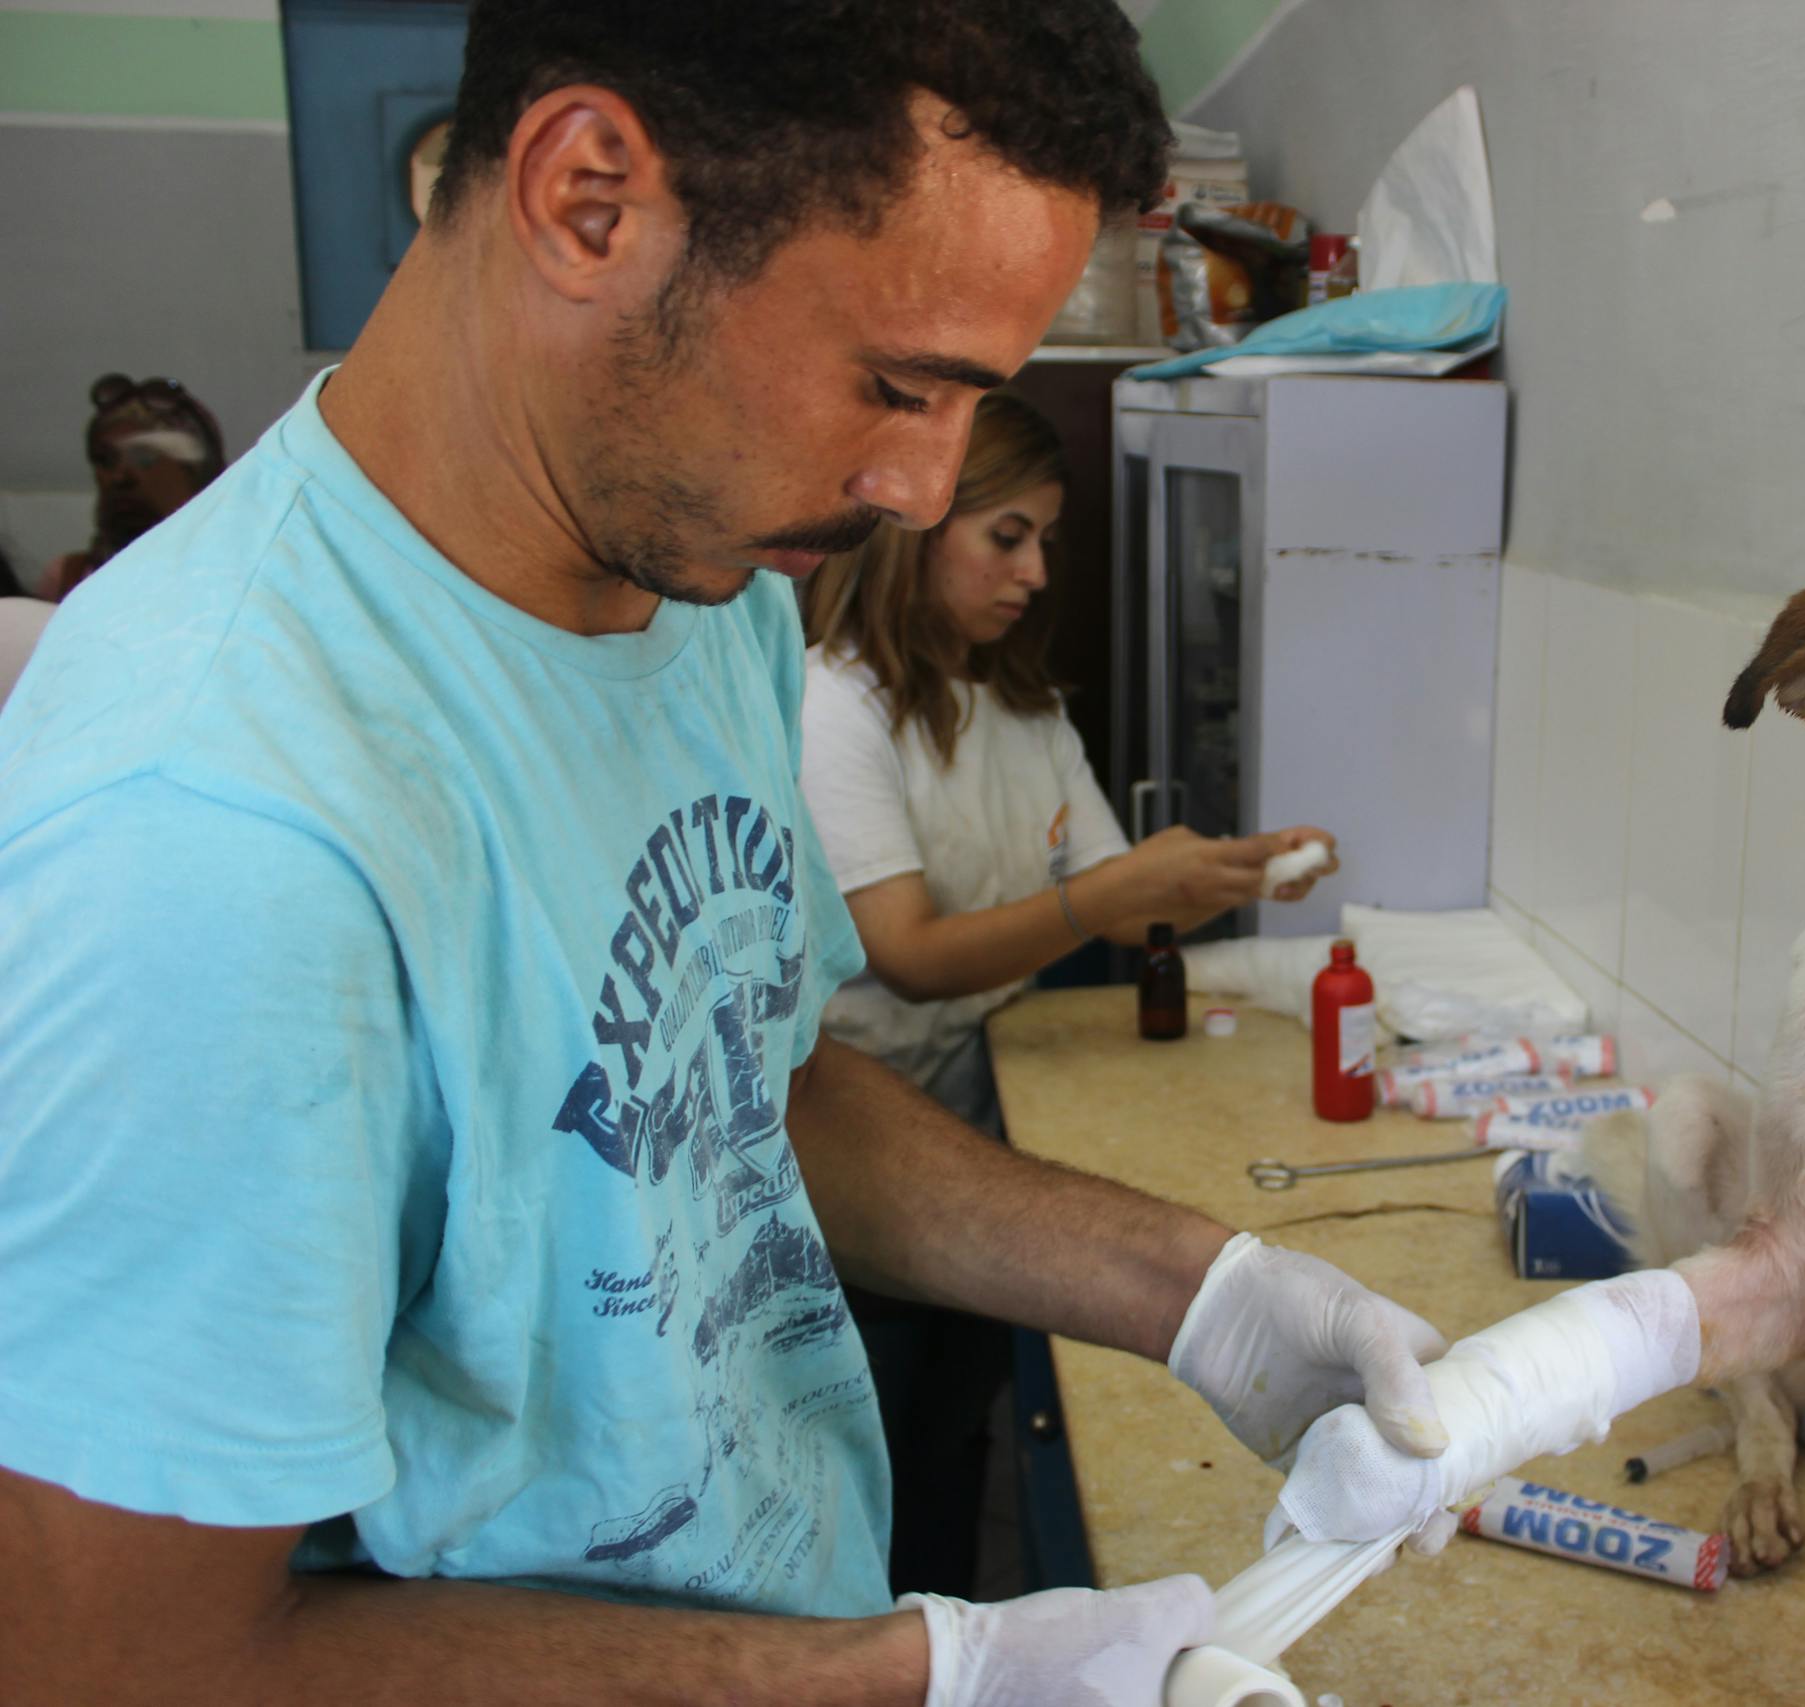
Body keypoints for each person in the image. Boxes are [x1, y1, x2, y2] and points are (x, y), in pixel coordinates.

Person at [0, 7, 1451, 1705]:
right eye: (897, 383)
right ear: (589, 199)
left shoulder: (703, 590)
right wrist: (915, 1671)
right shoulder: (214, 839)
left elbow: (738, 1082)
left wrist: (1199, 1287)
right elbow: (121, 1660)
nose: (917, 490)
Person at [798, 391, 1336, 1596]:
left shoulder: (1019, 709)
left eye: (1044, 540)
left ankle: (944, 1607)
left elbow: (1115, 893)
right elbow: (911, 952)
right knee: (866, 1456)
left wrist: (1226, 873)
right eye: (1006, 536)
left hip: (973, 1125)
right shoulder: (832, 707)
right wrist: (1114, 898)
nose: (1036, 573)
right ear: (915, 526)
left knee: (950, 1421)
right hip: (843, 1147)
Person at [37, 371, 226, 599]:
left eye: (143, 457)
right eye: (105, 459)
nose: (119, 477)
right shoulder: (68, 578)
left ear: (196, 473)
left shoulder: (233, 575)